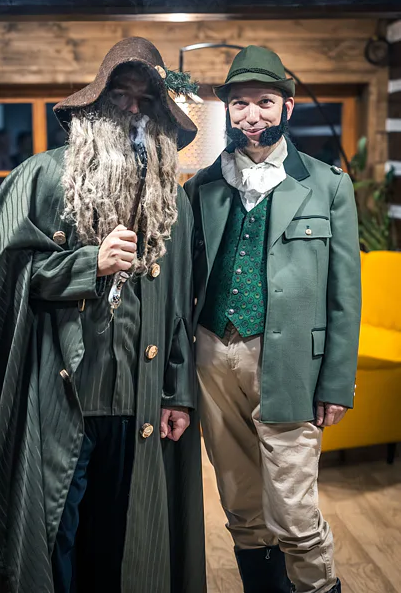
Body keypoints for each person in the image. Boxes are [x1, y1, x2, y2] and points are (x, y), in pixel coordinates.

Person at [0, 37, 205, 593]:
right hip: (63, 400)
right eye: (121, 95)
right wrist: (85, 265)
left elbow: (179, 309)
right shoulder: (43, 178)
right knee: (57, 541)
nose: (134, 110)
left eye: (147, 100)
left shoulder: (172, 201)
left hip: (138, 403)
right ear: (95, 104)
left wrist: (177, 392)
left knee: (118, 541)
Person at [185, 45, 361, 593]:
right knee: (241, 506)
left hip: (288, 363)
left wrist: (336, 382)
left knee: (295, 516)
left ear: (287, 107)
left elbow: (345, 296)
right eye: (239, 103)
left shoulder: (328, 185)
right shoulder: (201, 187)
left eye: (264, 101)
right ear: (228, 110)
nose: (251, 115)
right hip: (213, 358)